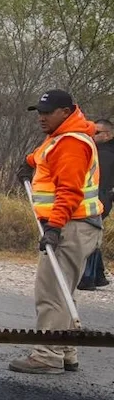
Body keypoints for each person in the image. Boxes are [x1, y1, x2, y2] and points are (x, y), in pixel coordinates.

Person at [10, 89, 104, 375]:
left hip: (70, 226)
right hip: (78, 226)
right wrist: (28, 163)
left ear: (66, 111)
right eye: (39, 112)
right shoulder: (60, 138)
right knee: (64, 291)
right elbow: (42, 156)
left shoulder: (72, 144)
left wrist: (54, 227)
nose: (41, 117)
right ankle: (65, 351)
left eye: (47, 112)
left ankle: (47, 355)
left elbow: (69, 191)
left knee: (51, 291)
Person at [78, 117, 114, 290]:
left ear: (108, 135)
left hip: (97, 200)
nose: (93, 135)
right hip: (101, 199)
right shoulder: (100, 151)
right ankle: (99, 276)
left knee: (89, 237)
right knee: (92, 236)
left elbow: (100, 182)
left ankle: (88, 277)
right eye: (92, 131)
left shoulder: (104, 155)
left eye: (97, 132)